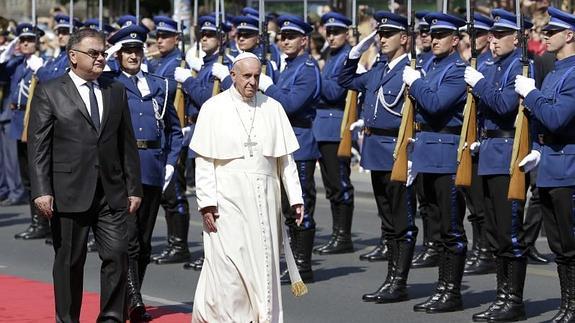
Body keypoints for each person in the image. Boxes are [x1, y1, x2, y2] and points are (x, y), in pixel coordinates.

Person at [27, 28, 142, 323]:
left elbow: (125, 142)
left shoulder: (114, 90)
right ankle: (67, 319)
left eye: (104, 53)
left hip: (111, 191)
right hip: (68, 190)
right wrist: (41, 190)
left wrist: (134, 187)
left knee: (118, 255)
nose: (102, 58)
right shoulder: (50, 90)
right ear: (73, 56)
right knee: (69, 262)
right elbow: (39, 146)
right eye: (94, 53)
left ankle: (111, 318)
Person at [190, 52, 305, 323]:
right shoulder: (213, 108)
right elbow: (205, 162)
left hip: (266, 200)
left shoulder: (272, 107)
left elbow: (286, 161)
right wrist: (207, 203)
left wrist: (296, 198)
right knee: (228, 267)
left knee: (263, 266)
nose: (252, 82)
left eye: (256, 76)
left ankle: (262, 317)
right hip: (227, 201)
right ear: (233, 75)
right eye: (247, 76)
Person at [339, 11, 418, 303]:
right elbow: (344, 78)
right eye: (380, 34)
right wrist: (358, 50)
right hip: (375, 150)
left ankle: (399, 282)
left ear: (404, 38)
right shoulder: (379, 69)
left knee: (402, 220)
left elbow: (418, 115)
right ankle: (390, 278)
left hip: (397, 150)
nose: (382, 39)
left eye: (388, 34)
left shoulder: (410, 70)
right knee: (387, 220)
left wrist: (413, 154)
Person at [105, 24, 182, 322]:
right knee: (129, 239)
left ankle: (130, 299)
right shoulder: (109, 83)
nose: (133, 55)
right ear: (118, 55)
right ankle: (133, 301)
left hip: (152, 166)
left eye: (136, 50)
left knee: (146, 242)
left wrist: (172, 164)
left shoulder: (160, 85)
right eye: (126, 51)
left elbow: (175, 131)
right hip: (123, 170)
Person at [465, 9, 532, 322]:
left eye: (499, 34)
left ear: (516, 37)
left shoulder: (521, 67)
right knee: (494, 232)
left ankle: (513, 300)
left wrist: (478, 85)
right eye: (491, 34)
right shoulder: (493, 66)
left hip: (508, 152)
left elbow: (505, 105)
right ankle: (501, 295)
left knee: (509, 232)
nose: (491, 40)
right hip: (490, 150)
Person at [404, 12, 468, 313]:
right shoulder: (430, 66)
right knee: (434, 227)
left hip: (446, 154)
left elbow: (435, 104)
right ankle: (441, 288)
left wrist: (416, 85)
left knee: (451, 227)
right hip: (427, 153)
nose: (435, 40)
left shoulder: (457, 70)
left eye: (442, 36)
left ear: (455, 40)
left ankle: (451, 291)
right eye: (433, 34)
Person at [514, 6, 575, 323]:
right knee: (559, 246)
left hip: (569, 169)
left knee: (570, 244)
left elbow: (556, 116)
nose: (545, 36)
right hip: (551, 165)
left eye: (551, 32)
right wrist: (537, 147)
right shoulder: (554, 71)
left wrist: (532, 94)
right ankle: (568, 305)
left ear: (570, 35)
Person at [258, 14, 321, 284]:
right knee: (285, 208)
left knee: (299, 206)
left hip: (300, 145)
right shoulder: (288, 66)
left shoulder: (307, 68)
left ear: (304, 40)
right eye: (283, 37)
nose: (285, 40)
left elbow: (291, 104)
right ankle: (292, 262)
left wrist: (268, 86)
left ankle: (303, 266)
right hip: (281, 144)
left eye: (291, 36)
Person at [148, 16, 192, 265]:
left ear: (177, 39)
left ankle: (179, 245)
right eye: (158, 36)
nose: (160, 40)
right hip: (160, 134)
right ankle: (173, 243)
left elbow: (166, 90)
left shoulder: (178, 62)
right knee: (165, 193)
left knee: (174, 191)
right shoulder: (159, 63)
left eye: (165, 36)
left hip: (174, 134)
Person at [311, 12, 355, 256]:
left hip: (336, 126)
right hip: (323, 126)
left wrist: (314, 74)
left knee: (339, 183)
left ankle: (343, 235)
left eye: (336, 32)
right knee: (330, 185)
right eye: (328, 32)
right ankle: (338, 233)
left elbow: (335, 93)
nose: (331, 36)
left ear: (346, 33)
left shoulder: (348, 57)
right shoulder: (331, 55)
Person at [1, 23, 50, 240]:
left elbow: (53, 83)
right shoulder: (17, 64)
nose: (25, 43)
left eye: (29, 40)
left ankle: (45, 221)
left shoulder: (44, 63)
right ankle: (36, 222)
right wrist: (6, 53)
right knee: (27, 177)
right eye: (22, 40)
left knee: (39, 176)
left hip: (36, 122)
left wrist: (39, 68)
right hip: (19, 121)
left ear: (38, 42)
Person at [459, 13, 497, 277]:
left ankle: (486, 252)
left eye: (475, 35)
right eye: (466, 36)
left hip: (482, 138)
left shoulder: (487, 64)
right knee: (472, 199)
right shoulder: (474, 63)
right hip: (471, 136)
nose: (470, 41)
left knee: (482, 201)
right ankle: (479, 249)